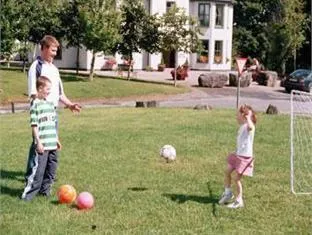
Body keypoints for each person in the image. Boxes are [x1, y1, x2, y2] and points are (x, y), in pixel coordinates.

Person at [21, 76, 61, 200]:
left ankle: (45, 192)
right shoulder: (35, 105)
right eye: (47, 89)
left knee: (51, 170)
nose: (49, 91)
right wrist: (38, 142)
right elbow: (34, 126)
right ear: (40, 88)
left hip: (52, 144)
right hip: (42, 145)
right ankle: (28, 195)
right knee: (38, 171)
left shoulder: (50, 104)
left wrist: (56, 139)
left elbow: (53, 124)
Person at [28, 35, 81, 112]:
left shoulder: (54, 69)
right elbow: (33, 94)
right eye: (53, 50)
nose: (55, 54)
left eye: (56, 51)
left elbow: (60, 94)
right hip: (41, 112)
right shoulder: (36, 67)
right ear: (45, 48)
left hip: (53, 112)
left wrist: (70, 105)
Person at [218, 104, 257, 208]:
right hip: (238, 155)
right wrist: (236, 151)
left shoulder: (250, 126)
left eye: (237, 115)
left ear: (244, 116)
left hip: (244, 158)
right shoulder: (242, 127)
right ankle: (228, 193)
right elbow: (242, 142)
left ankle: (239, 200)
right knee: (227, 172)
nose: (236, 117)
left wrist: (248, 118)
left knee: (237, 179)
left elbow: (250, 127)